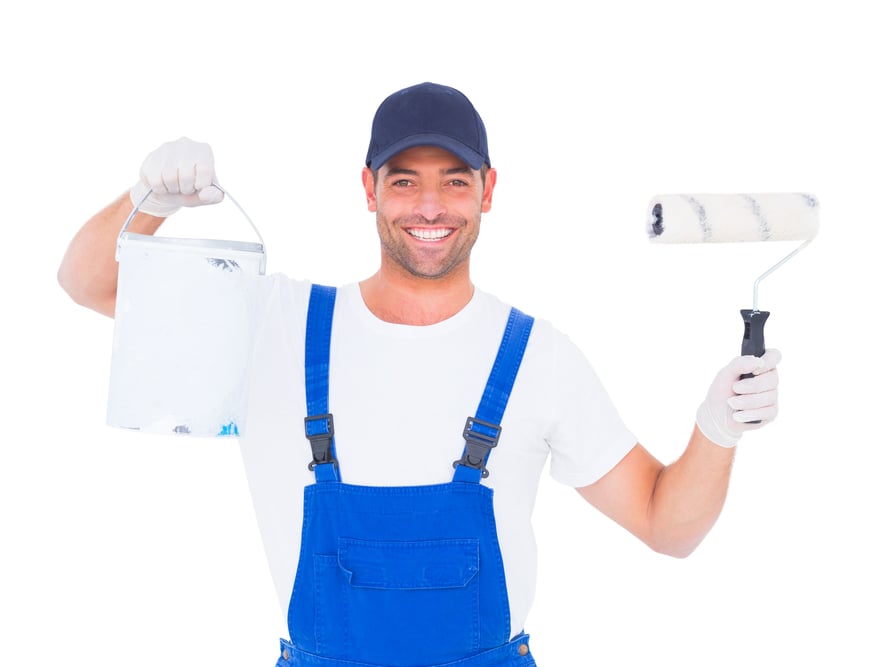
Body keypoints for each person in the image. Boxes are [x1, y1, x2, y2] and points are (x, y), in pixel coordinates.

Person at [57, 82, 781, 666]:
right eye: (405, 181)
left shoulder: (535, 355)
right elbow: (85, 281)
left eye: (453, 181)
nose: (430, 206)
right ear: (369, 189)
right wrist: (147, 201)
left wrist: (718, 429)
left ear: (487, 189)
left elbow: (666, 524)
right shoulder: (273, 323)